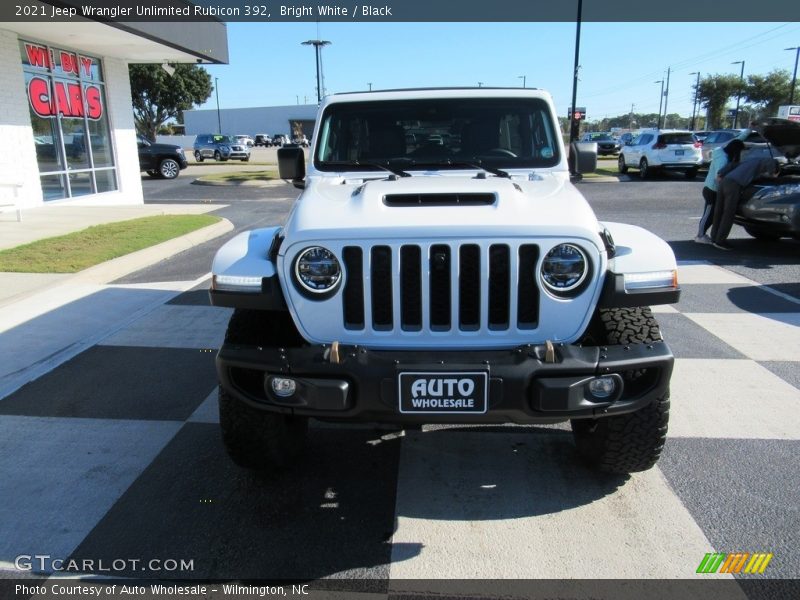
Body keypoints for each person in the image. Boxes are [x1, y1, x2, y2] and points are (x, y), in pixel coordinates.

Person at [709, 157, 781, 250]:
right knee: (728, 213)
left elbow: (732, 164)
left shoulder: (752, 160)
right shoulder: (771, 161)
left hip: (725, 180)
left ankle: (714, 237)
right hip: (734, 184)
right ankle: (720, 241)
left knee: (719, 210)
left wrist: (721, 172)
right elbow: (771, 173)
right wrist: (774, 176)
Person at [695, 139, 744, 244]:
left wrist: (749, 130)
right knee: (708, 214)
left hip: (709, 188)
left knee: (711, 214)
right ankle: (700, 235)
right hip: (712, 190)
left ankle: (702, 234)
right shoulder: (722, 159)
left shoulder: (719, 151)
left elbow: (737, 138)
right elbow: (719, 176)